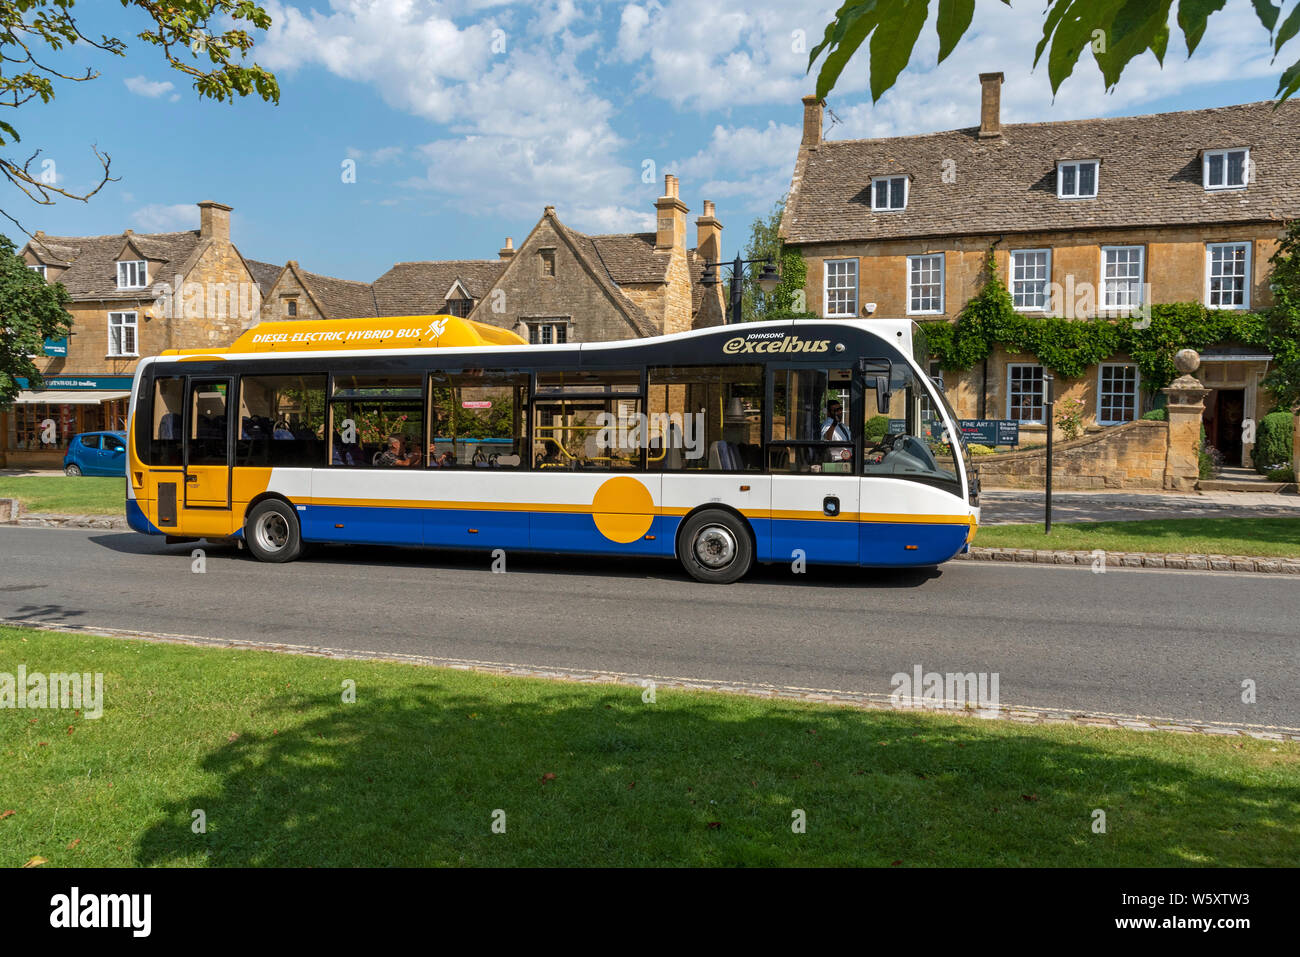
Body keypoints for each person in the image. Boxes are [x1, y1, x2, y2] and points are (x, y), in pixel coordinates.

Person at [820, 399, 852, 464]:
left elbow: (853, 439)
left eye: (840, 409)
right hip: (837, 461)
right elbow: (827, 438)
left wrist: (874, 444)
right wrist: (834, 422)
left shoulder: (842, 426)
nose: (839, 412)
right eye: (836, 410)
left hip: (848, 459)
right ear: (828, 413)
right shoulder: (827, 424)